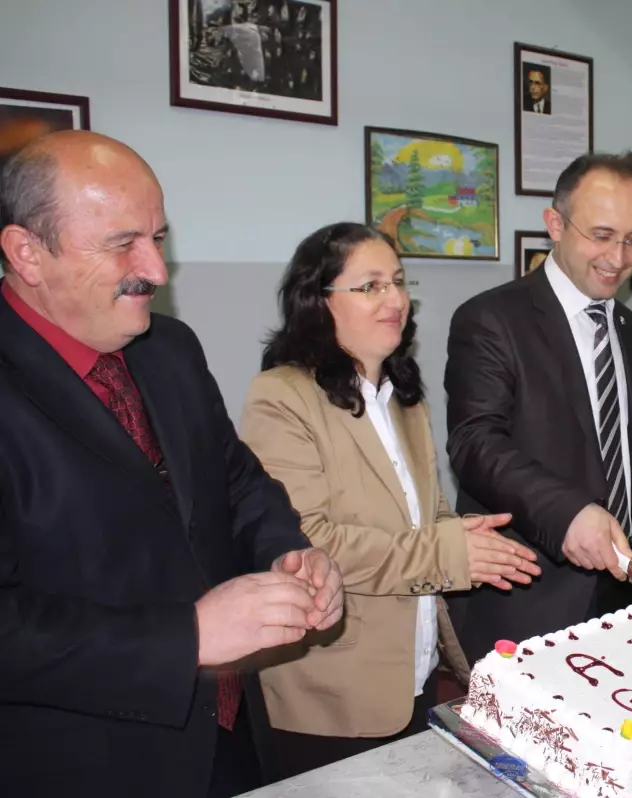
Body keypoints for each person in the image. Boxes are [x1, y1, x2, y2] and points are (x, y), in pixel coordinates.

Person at [0, 129, 345, 798]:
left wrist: (287, 552)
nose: (156, 271)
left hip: (226, 734)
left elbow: (235, 478)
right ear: (26, 253)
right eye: (122, 243)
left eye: (158, 238)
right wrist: (185, 637)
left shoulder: (171, 348)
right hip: (79, 761)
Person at [238, 223, 541, 778]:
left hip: (416, 674)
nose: (395, 299)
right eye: (371, 285)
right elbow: (310, 542)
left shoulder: (404, 399)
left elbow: (431, 520)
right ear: (317, 301)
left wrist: (469, 537)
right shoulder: (281, 396)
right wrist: (449, 552)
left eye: (399, 282)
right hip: (331, 698)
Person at [444, 152, 632, 665]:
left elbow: (620, 446)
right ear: (555, 225)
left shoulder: (624, 324)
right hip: (531, 596)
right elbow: (475, 443)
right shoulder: (490, 318)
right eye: (601, 235)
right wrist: (569, 514)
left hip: (619, 583)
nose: (618, 257)